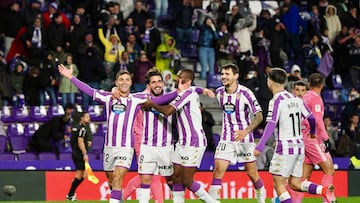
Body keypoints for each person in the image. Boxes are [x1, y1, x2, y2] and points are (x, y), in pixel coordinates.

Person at [58, 64, 177, 203]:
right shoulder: (108, 97)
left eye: (127, 79)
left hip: (126, 147)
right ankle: (119, 199)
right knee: (111, 180)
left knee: (118, 177)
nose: (124, 82)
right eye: (121, 79)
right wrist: (71, 77)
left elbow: (159, 100)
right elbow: (89, 91)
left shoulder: (137, 99)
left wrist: (179, 91)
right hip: (109, 147)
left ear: (131, 82)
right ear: (116, 82)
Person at [238, 68, 334, 203]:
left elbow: (271, 124)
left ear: (269, 81)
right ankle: (323, 190)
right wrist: (312, 133)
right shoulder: (295, 98)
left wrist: (259, 146)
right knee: (295, 183)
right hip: (299, 147)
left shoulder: (276, 101)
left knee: (279, 184)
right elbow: (311, 118)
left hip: (285, 147)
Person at [142, 69, 218, 203]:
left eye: (180, 77)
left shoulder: (186, 94)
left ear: (187, 81)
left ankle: (212, 201)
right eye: (177, 76)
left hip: (194, 142)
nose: (177, 79)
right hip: (182, 142)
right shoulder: (189, 90)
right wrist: (204, 89)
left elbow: (168, 111)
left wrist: (152, 104)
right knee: (176, 177)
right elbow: (192, 89)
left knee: (187, 180)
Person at [207, 64, 266, 203]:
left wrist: (245, 131)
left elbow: (259, 116)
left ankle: (261, 197)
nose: (223, 77)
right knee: (218, 172)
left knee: (252, 173)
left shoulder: (246, 93)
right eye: (222, 74)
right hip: (226, 139)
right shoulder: (219, 92)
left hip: (245, 140)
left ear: (236, 76)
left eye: (227, 74)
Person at [299, 73, 336, 203]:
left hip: (303, 138)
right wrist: (326, 138)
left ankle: (287, 198)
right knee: (329, 170)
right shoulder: (315, 98)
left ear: (309, 84)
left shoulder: (305, 97)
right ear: (322, 85)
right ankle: (328, 200)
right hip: (312, 139)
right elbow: (318, 120)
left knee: (303, 178)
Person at [66, 111, 91, 201]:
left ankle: (71, 194)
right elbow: (80, 141)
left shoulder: (76, 127)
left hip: (75, 152)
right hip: (79, 153)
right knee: (80, 174)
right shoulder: (82, 129)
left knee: (83, 174)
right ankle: (70, 194)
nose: (89, 118)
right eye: (87, 117)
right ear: (82, 118)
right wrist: (84, 153)